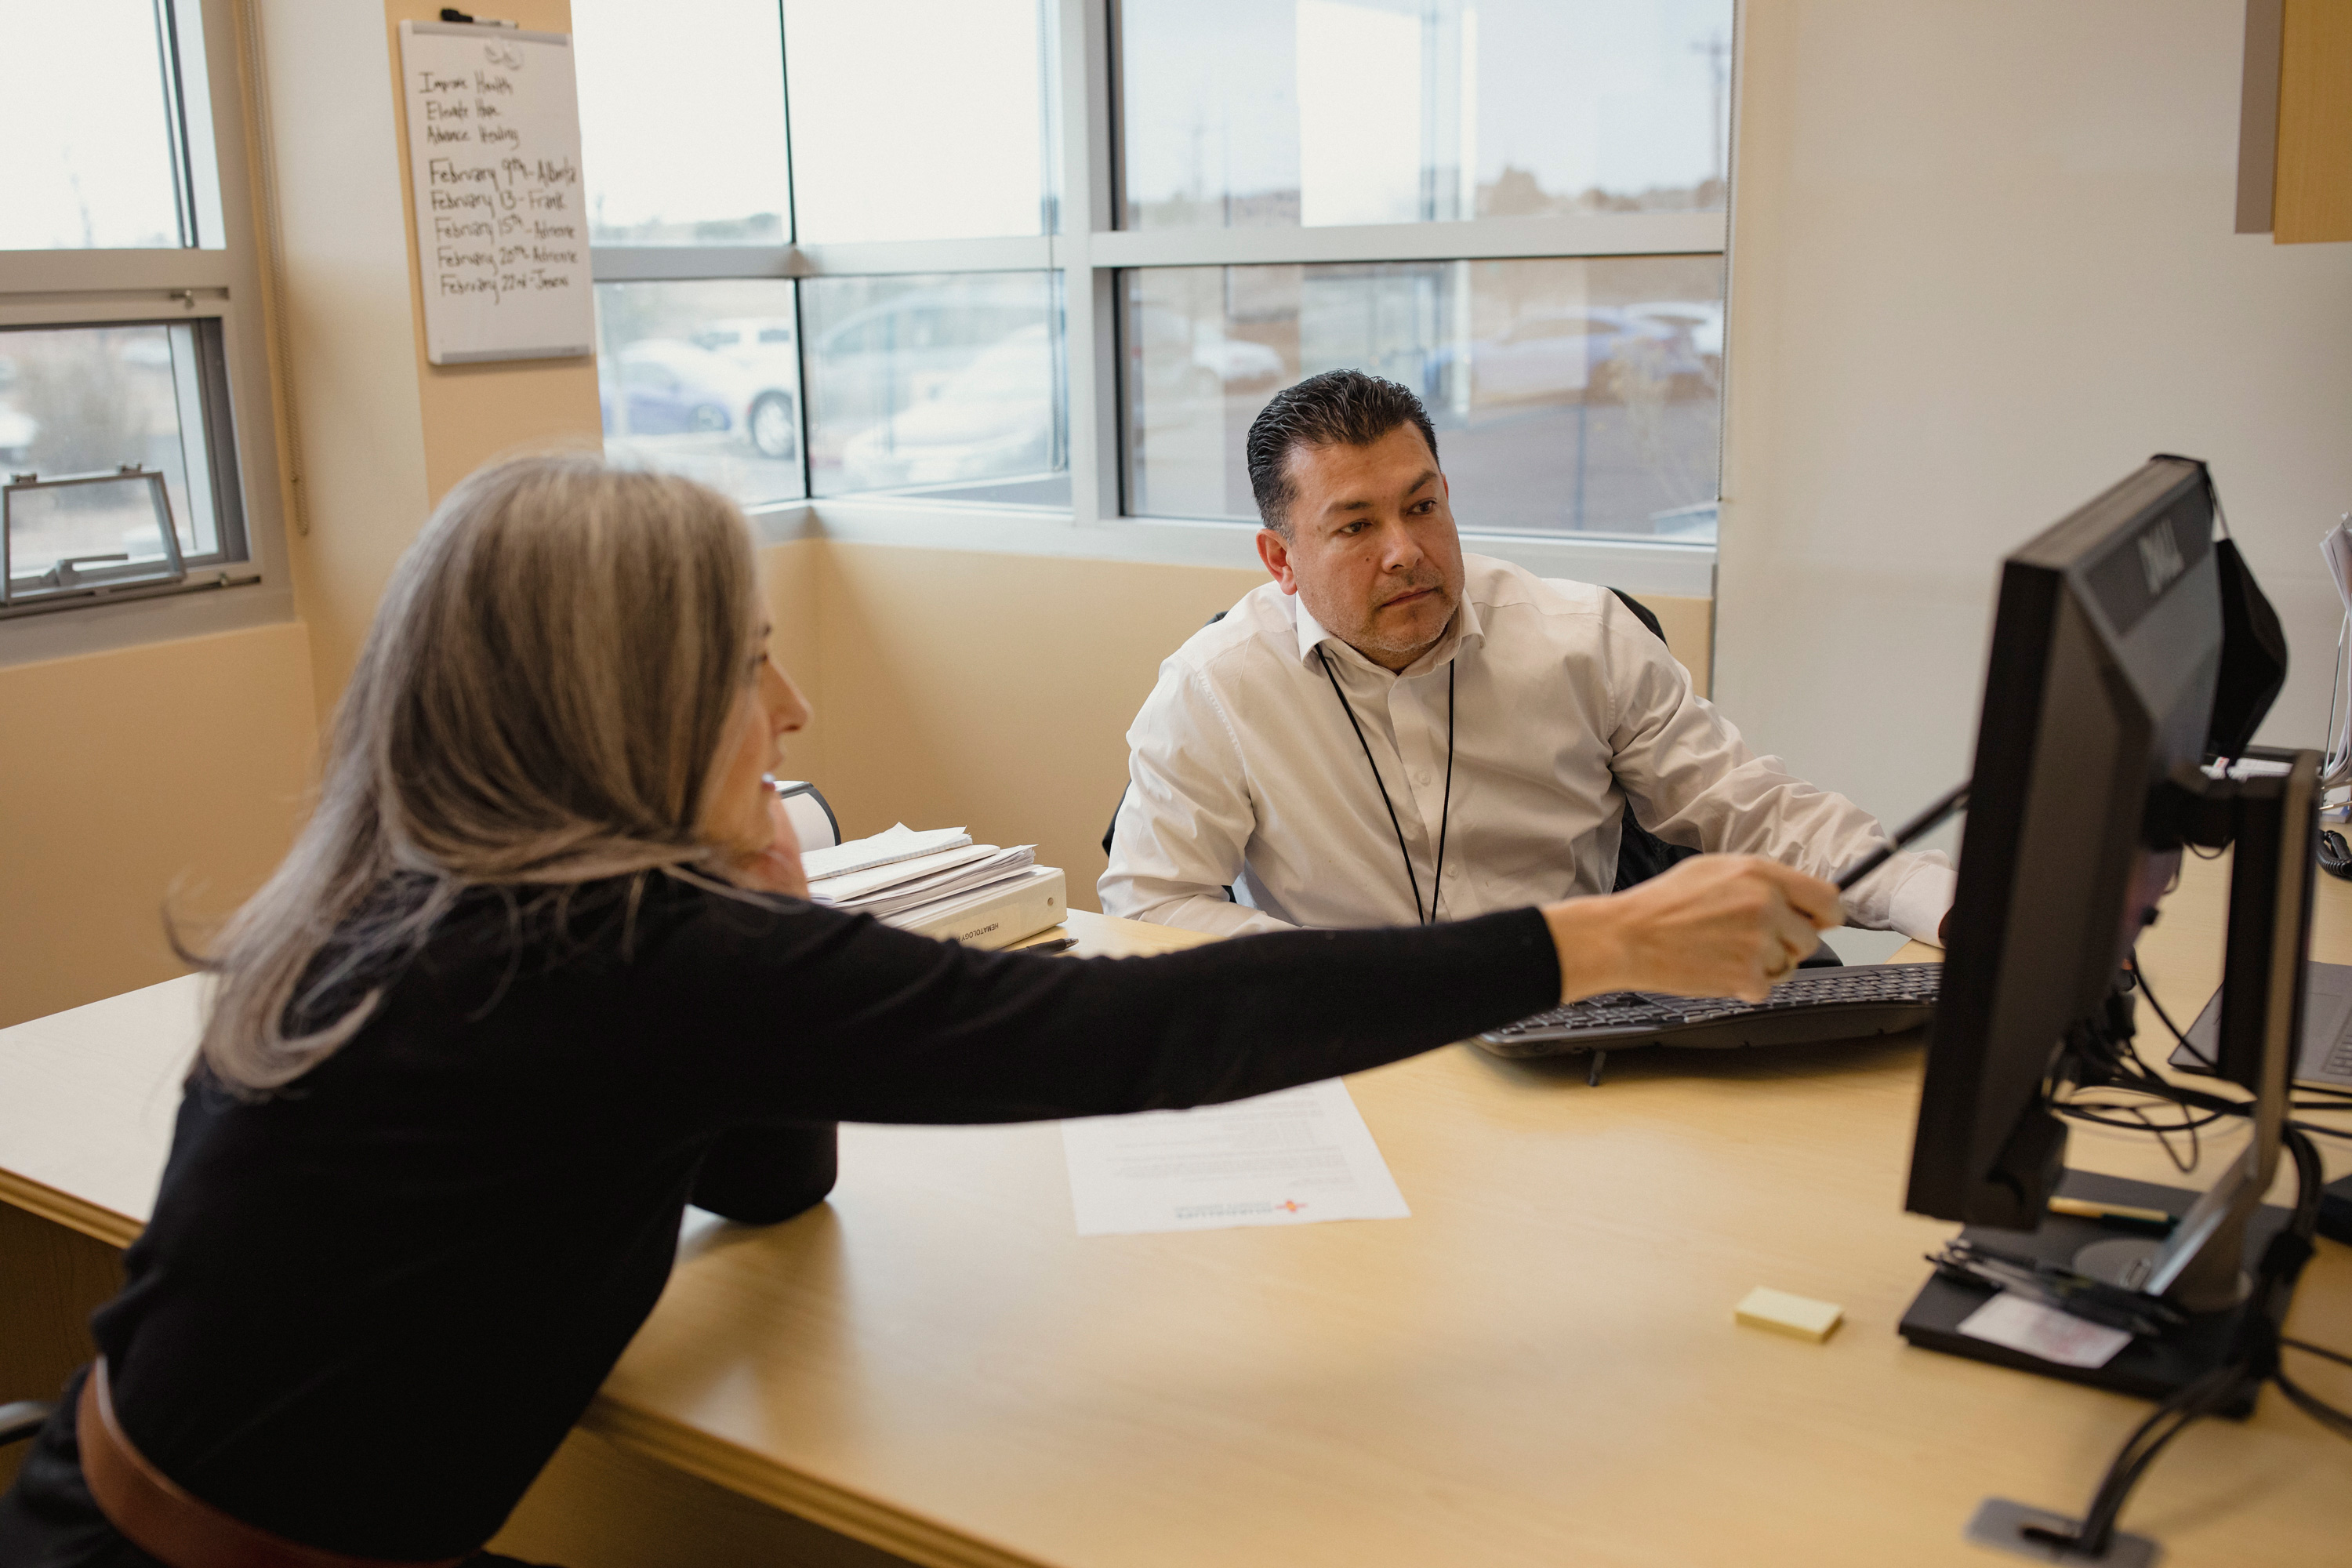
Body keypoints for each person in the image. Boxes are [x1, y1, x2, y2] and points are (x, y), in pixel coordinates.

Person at [0, 455, 1838, 1567]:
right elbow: (1137, 1035)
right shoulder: (604, 962)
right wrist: (1589, 940)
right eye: (745, 667)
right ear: (621, 706)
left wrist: (756, 886)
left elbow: (772, 1180)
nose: (790, 711)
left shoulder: (427, 898)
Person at [1099, 369, 1955, 947]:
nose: (1405, 551)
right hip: (1344, 1048)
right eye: (1357, 525)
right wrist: (1343, 979)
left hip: (1571, 1034)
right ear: (1280, 560)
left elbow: (1761, 813)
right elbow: (1150, 902)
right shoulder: (1216, 685)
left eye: (1423, 505)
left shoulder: (1585, 639)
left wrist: (1937, 900)